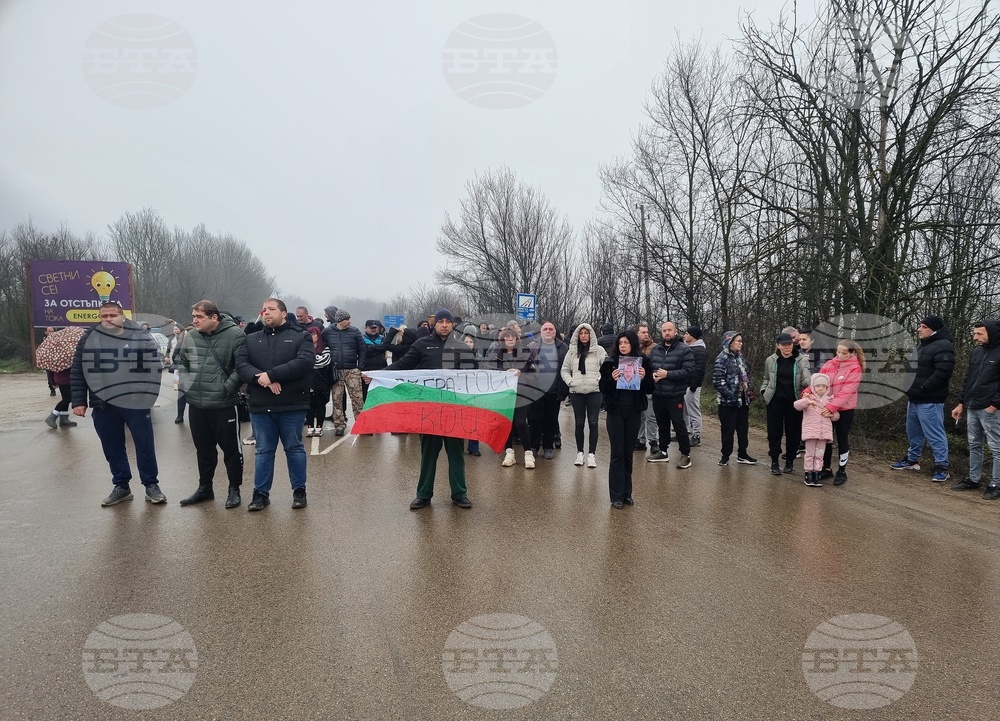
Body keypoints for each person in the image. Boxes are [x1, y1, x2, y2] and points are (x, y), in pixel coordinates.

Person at [379, 308, 477, 510]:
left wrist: (506, 374)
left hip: (453, 409)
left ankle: (460, 493)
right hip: (429, 410)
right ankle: (423, 494)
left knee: (456, 453)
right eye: (440, 321)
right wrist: (378, 374)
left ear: (452, 325)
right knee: (428, 454)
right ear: (435, 324)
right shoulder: (422, 345)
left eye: (447, 322)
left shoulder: (461, 347)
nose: (444, 324)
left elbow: (478, 372)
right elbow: (403, 365)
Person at [71, 301, 166, 506]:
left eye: (112, 315)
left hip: (135, 402)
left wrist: (148, 398)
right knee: (112, 446)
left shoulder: (139, 336)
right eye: (104, 316)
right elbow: (78, 369)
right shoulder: (89, 338)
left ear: (123, 316)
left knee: (144, 444)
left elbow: (153, 368)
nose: (108, 319)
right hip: (103, 403)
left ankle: (151, 485)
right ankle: (122, 486)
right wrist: (78, 401)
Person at [235, 297, 314, 511]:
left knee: (294, 449)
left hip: (292, 404)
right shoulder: (250, 339)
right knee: (263, 451)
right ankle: (260, 494)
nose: (266, 313)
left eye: (271, 309)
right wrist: (261, 379)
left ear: (282, 313)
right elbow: (242, 365)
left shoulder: (301, 336)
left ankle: (299, 491)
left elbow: (305, 362)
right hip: (261, 404)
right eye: (263, 310)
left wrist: (272, 375)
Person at [176, 300, 247, 508]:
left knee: (231, 450)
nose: (194, 321)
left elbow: (240, 367)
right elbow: (183, 362)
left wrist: (226, 388)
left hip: (223, 404)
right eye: (193, 316)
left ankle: (234, 489)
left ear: (214, 317)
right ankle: (205, 488)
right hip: (197, 404)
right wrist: (187, 384)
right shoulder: (192, 336)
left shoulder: (236, 335)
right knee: (203, 450)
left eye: (199, 317)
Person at [890, 316, 955, 482]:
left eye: (924, 326)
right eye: (920, 326)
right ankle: (913, 460)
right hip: (914, 398)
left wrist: (922, 388)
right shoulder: (922, 345)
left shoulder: (944, 346)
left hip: (931, 399)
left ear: (934, 329)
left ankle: (942, 466)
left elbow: (942, 373)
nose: (919, 329)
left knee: (934, 433)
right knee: (913, 432)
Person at [600, 330, 654, 508]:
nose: (623, 346)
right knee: (617, 452)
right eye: (620, 343)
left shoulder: (643, 362)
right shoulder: (610, 363)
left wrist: (645, 377)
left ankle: (627, 493)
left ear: (632, 344)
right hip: (615, 411)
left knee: (628, 453)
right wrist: (612, 380)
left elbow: (650, 389)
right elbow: (603, 388)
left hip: (634, 412)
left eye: (626, 342)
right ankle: (615, 495)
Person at [950, 320, 1000, 499]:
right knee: (974, 444)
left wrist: (994, 406)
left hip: (991, 409)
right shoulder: (976, 353)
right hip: (972, 406)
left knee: (996, 447)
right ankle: (973, 479)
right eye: (974, 333)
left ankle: (996, 483)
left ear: (991, 334)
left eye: (979, 334)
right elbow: (968, 380)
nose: (975, 337)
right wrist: (961, 403)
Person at [760, 332, 810, 475]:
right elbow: (766, 378)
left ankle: (790, 461)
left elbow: (806, 382)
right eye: (784, 344)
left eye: (789, 344)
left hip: (794, 402)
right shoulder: (771, 360)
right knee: (774, 432)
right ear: (778, 345)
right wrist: (763, 391)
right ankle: (774, 461)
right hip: (774, 401)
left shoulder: (801, 360)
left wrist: (818, 382)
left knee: (793, 433)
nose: (787, 347)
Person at [816, 339, 864, 486]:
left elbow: (846, 392)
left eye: (844, 353)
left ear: (852, 353)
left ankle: (842, 471)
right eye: (838, 352)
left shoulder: (855, 368)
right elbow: (818, 380)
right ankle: (826, 468)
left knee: (842, 438)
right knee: (826, 438)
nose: (840, 355)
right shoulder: (829, 364)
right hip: (827, 407)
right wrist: (807, 392)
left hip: (845, 410)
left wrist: (832, 407)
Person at [489, 327, 539, 469]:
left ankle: (528, 453)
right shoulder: (496, 355)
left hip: (521, 393)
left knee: (521, 423)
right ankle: (509, 453)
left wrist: (520, 375)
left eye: (513, 337)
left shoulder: (525, 353)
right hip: (504, 394)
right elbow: (491, 374)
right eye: (507, 337)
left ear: (516, 339)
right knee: (506, 423)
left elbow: (534, 375)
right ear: (503, 339)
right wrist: (505, 373)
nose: (510, 339)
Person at [648, 321, 695, 468]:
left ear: (675, 331)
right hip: (658, 393)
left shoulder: (684, 350)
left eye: (669, 330)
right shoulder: (656, 350)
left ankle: (685, 454)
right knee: (662, 425)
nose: (667, 333)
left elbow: (689, 372)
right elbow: (650, 367)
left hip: (675, 395)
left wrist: (668, 374)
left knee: (678, 424)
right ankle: (663, 451)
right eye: (664, 331)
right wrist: (652, 375)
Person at [561, 323, 606, 468]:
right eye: (581, 333)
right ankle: (580, 453)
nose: (584, 336)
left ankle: (591, 454)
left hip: (594, 392)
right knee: (579, 423)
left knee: (593, 423)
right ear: (577, 335)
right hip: (577, 392)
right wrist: (571, 382)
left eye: (586, 333)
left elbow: (606, 368)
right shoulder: (572, 351)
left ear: (591, 334)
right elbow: (565, 370)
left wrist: (598, 381)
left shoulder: (599, 350)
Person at [712, 331, 758, 466]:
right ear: (730, 342)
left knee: (743, 428)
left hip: (743, 400)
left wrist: (749, 389)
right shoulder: (722, 358)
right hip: (728, 402)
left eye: (741, 341)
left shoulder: (740, 358)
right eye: (739, 341)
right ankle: (725, 455)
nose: (741, 343)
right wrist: (731, 394)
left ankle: (742, 454)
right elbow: (718, 381)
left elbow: (746, 376)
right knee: (728, 430)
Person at [322, 309, 367, 436]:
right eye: (347, 319)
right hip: (335, 370)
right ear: (340, 320)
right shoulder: (327, 332)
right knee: (337, 399)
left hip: (352, 369)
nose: (349, 321)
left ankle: (361, 424)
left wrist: (360, 367)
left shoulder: (355, 331)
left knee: (357, 399)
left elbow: (362, 350)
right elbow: (322, 348)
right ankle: (339, 425)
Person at [527, 321, 568, 460]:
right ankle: (533, 447)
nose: (548, 331)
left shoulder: (563, 348)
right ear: (541, 332)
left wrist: (564, 390)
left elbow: (567, 369)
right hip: (535, 391)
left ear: (555, 332)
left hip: (554, 391)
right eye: (546, 329)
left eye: (551, 329)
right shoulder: (532, 347)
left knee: (551, 421)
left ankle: (548, 447)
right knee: (535, 421)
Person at [794, 373, 839, 487]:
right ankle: (808, 473)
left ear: (827, 387)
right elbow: (796, 405)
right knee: (810, 454)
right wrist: (807, 401)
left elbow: (836, 416)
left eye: (823, 386)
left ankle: (816, 473)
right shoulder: (808, 398)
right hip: (811, 432)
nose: (820, 388)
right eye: (818, 386)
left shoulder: (830, 400)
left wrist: (831, 414)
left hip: (823, 434)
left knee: (819, 454)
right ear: (813, 387)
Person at [635, 322, 659, 455]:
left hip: (648, 383)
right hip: (636, 386)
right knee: (640, 415)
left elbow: (656, 364)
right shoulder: (635, 348)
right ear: (637, 334)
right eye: (643, 332)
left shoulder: (655, 347)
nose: (646, 334)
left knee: (651, 415)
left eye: (647, 332)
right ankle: (640, 440)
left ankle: (653, 441)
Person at [305, 326, 333, 437]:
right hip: (308, 381)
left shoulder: (325, 347)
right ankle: (310, 427)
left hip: (322, 381)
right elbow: (303, 361)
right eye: (310, 334)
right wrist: (314, 359)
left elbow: (325, 361)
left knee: (320, 405)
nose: (313, 336)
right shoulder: (305, 347)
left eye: (314, 334)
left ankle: (319, 427)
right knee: (309, 406)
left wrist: (312, 360)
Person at [683, 326, 707, 447]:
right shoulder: (687, 348)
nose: (684, 335)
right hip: (684, 384)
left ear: (692, 336)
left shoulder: (699, 350)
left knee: (693, 409)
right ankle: (685, 430)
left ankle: (696, 435)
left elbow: (699, 370)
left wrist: (694, 386)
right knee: (684, 409)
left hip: (692, 385)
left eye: (686, 333)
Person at [44, 326, 57, 395]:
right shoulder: (44, 340)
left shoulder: (58, 339)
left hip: (56, 360)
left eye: (52, 331)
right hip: (48, 361)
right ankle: (52, 389)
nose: (51, 333)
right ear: (46, 332)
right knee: (49, 375)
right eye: (49, 331)